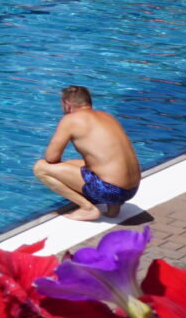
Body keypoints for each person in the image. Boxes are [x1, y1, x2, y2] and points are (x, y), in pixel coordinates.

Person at [33, 85, 142, 220]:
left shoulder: (70, 119)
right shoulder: (107, 116)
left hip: (110, 190)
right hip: (132, 189)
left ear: (67, 104)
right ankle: (113, 207)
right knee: (77, 163)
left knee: (41, 168)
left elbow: (51, 158)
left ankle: (87, 208)